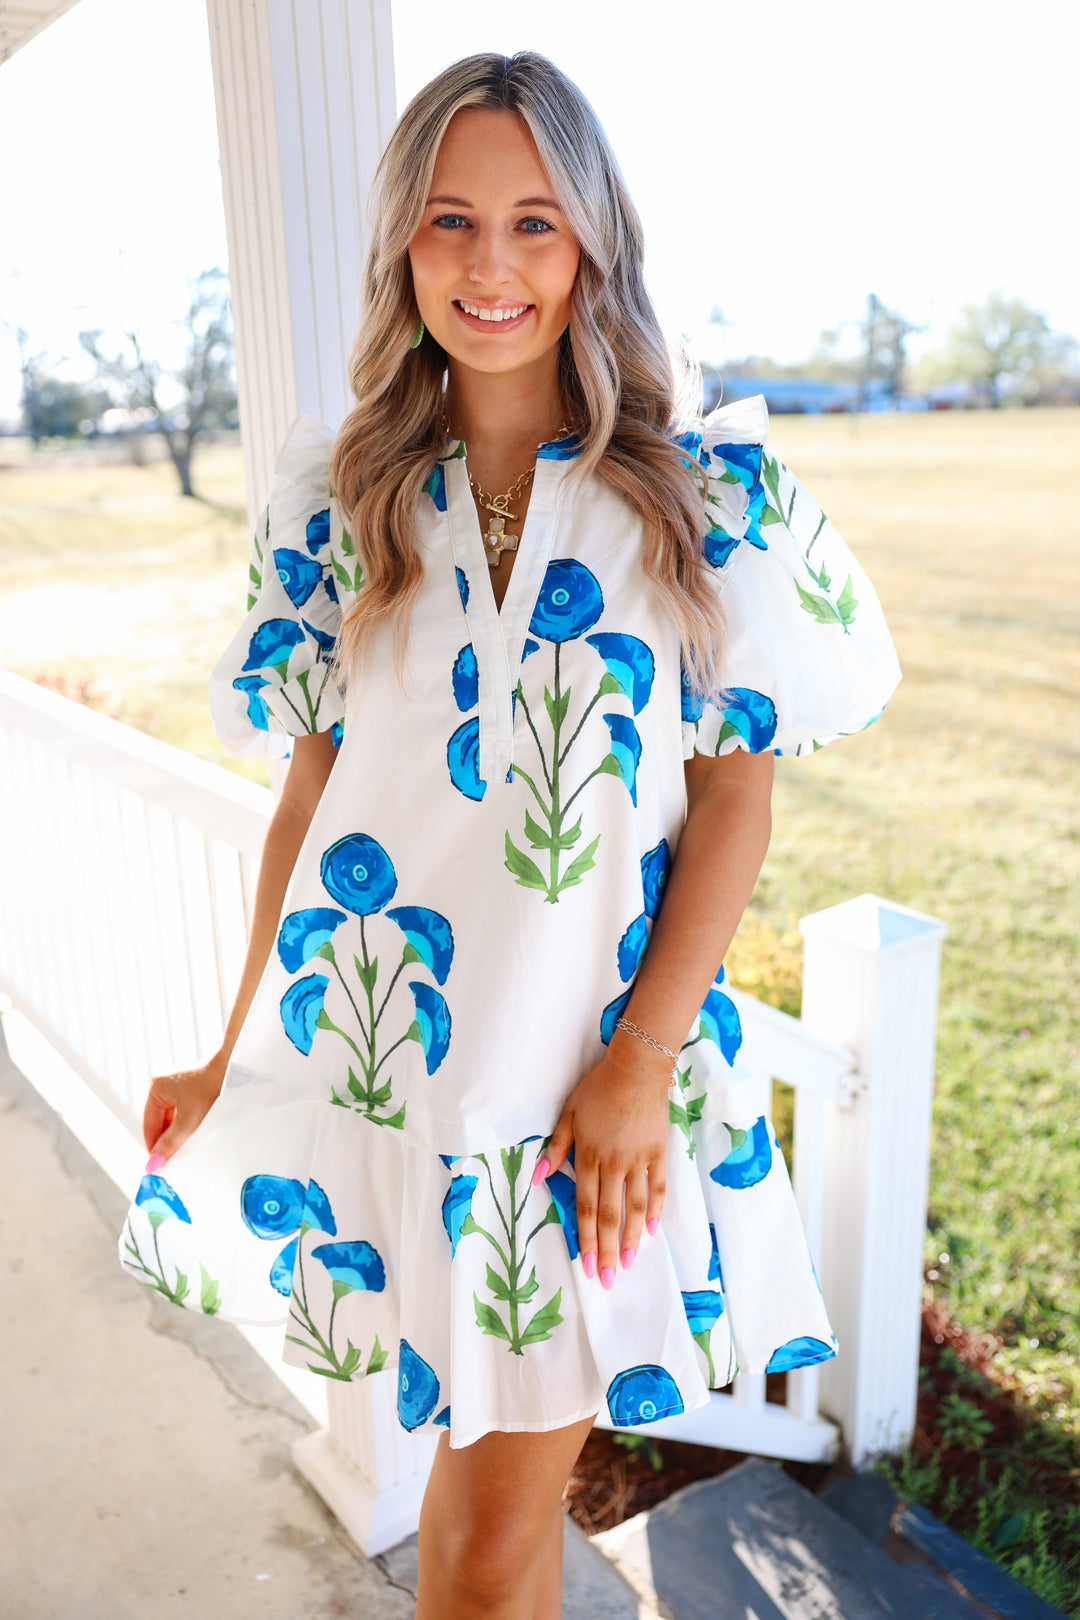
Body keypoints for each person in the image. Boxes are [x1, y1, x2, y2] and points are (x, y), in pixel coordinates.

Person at [118, 50, 901, 1619]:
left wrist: (632, 1070)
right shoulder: (339, 500)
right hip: (399, 1079)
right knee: (472, 1551)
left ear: (593, 244)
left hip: (580, 1106)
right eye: (451, 221)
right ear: (402, 246)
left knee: (479, 1560)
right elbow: (311, 802)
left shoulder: (700, 496)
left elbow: (736, 796)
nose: (490, 266)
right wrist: (228, 1048)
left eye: (535, 223)